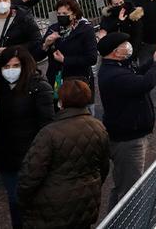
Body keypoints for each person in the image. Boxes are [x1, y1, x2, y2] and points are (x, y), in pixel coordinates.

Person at [17, 79, 110, 229]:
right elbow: (104, 167)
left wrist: (23, 200)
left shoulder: (49, 133)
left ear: (61, 101)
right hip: (86, 202)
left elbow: (31, 175)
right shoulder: (99, 127)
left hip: (52, 207)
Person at [97, 32, 156, 207]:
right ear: (115, 52)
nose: (129, 46)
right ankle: (127, 220)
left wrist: (154, 58)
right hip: (127, 140)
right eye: (124, 44)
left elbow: (139, 72)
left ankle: (117, 219)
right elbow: (144, 83)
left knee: (123, 183)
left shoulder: (119, 67)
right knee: (130, 189)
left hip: (130, 134)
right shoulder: (114, 74)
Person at [0, 47, 53, 229]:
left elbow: (46, 126)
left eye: (16, 65)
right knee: (15, 202)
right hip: (7, 159)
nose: (11, 69)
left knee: (36, 204)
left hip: (33, 158)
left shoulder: (39, 87)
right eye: (7, 66)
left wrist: (43, 157)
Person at [39, 0, 98, 91]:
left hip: (78, 80)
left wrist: (65, 60)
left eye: (65, 14)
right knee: (58, 103)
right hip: (57, 78)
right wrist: (46, 44)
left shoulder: (85, 30)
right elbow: (38, 55)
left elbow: (92, 58)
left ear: (74, 14)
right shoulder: (53, 29)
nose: (61, 16)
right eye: (59, 14)